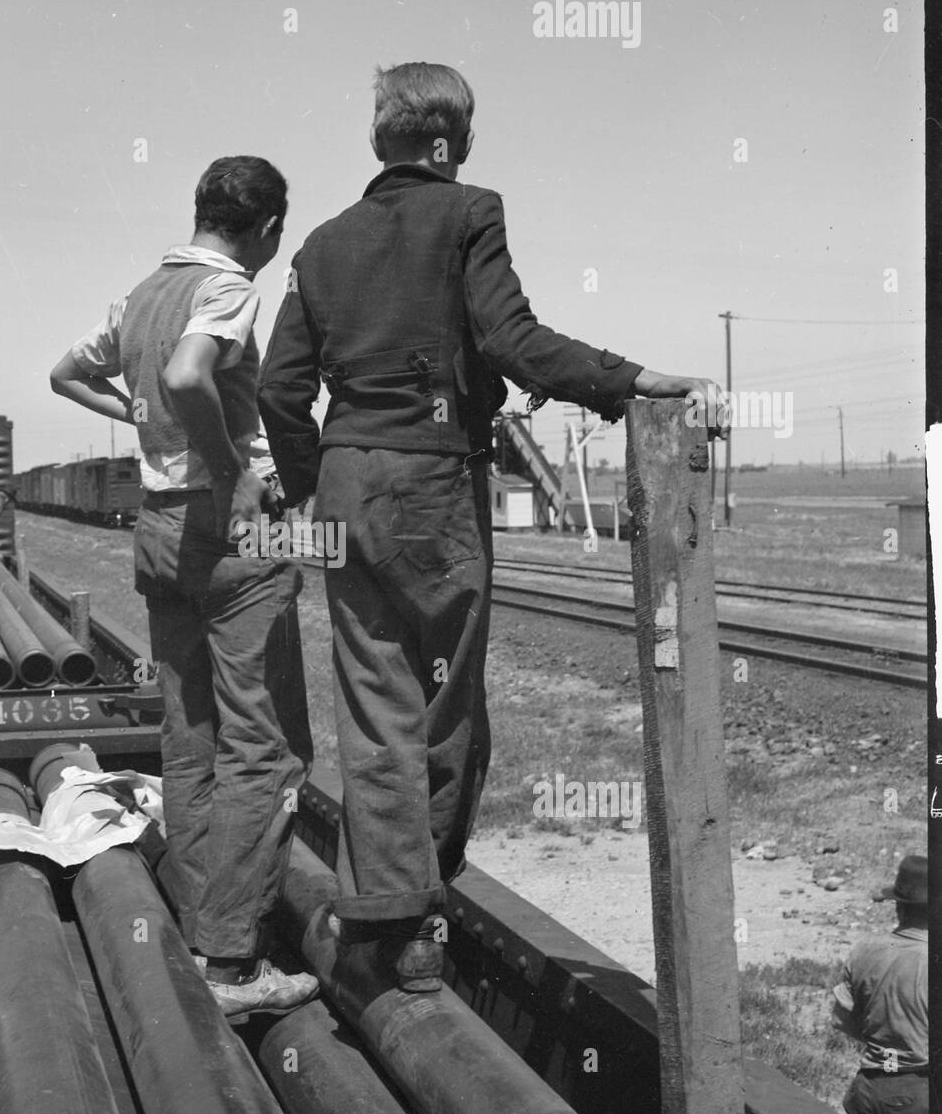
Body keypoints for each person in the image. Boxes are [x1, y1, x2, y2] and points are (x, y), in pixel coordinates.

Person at [258, 62, 725, 992]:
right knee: (444, 703)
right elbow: (512, 340)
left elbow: (280, 389)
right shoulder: (471, 211)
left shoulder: (318, 244)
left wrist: (315, 487)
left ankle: (384, 916)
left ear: (378, 141)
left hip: (350, 486)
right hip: (434, 487)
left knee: (373, 703)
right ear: (450, 143)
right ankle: (419, 921)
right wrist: (625, 377)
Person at [49, 156, 318, 1021]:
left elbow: (66, 372)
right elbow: (187, 376)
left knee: (189, 732)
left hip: (159, 531)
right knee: (265, 747)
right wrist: (236, 469)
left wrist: (128, 415)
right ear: (268, 229)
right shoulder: (229, 289)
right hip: (232, 534)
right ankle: (234, 963)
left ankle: (201, 924)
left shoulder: (137, 298)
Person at [831, 854, 929, 1114]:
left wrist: (890, 1042)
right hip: (917, 1100)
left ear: (899, 906)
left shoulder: (864, 950)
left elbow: (842, 1019)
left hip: (865, 1092)